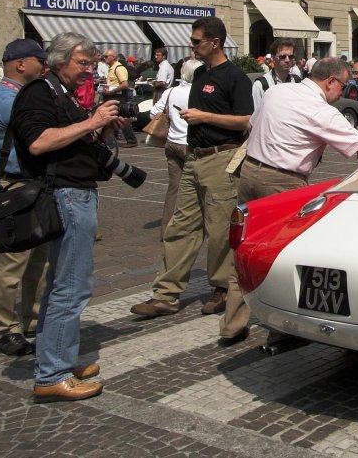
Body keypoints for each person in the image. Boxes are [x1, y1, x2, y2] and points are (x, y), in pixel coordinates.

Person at [222, 58, 358, 344]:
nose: (343, 92)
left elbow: (252, 123)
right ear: (330, 82)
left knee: (243, 247)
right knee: (281, 253)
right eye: (344, 85)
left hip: (250, 170)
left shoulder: (278, 90)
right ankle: (283, 328)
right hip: (282, 181)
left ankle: (231, 323)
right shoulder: (319, 110)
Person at [10, 31, 132, 402]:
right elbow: (38, 142)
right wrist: (90, 122)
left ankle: (57, 357)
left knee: (63, 284)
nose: (89, 70)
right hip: (64, 196)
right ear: (59, 60)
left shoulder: (59, 93)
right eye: (83, 63)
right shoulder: (39, 92)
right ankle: (52, 374)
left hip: (75, 193)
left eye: (92, 64)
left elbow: (70, 135)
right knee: (71, 287)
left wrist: (101, 126)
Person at [130, 16, 253, 321]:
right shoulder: (199, 75)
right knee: (181, 226)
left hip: (221, 157)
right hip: (193, 158)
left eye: (197, 41)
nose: (192, 45)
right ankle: (166, 294)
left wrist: (205, 117)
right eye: (192, 40)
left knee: (220, 229)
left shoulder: (235, 77)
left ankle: (223, 287)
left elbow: (245, 121)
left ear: (215, 42)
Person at [0, 39, 49, 357]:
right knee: (8, 265)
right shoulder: (9, 98)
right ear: (21, 64)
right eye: (39, 59)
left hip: (29, 186)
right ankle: (3, 329)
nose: (44, 65)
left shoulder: (19, 94)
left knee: (37, 260)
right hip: (10, 188)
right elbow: (41, 137)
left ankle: (33, 319)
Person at [147, 58, 201, 233]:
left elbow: (153, 113)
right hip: (189, 144)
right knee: (199, 186)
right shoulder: (197, 92)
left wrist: (172, 117)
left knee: (174, 187)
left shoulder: (171, 91)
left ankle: (167, 229)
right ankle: (194, 227)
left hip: (171, 143)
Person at [101, 49, 138, 147]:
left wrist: (111, 91)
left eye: (106, 56)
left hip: (118, 97)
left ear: (113, 57)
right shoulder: (112, 67)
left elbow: (125, 85)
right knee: (114, 118)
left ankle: (131, 140)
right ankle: (109, 141)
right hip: (114, 96)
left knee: (121, 118)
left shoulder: (119, 68)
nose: (104, 58)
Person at [252, 38, 299, 109]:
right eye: (282, 57)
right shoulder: (261, 85)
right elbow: (256, 116)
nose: (287, 60)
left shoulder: (297, 81)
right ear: (273, 59)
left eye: (291, 56)